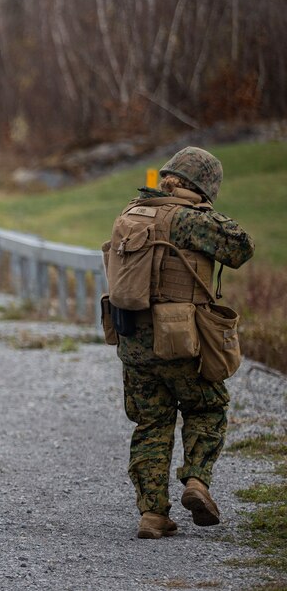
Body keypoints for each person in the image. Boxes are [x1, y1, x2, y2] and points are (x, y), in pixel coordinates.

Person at [109, 147, 253, 539]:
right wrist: (207, 212)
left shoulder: (130, 213)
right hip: (181, 339)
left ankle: (152, 515)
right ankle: (196, 481)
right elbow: (242, 248)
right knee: (207, 406)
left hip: (133, 340)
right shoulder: (191, 220)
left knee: (151, 423)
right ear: (203, 187)